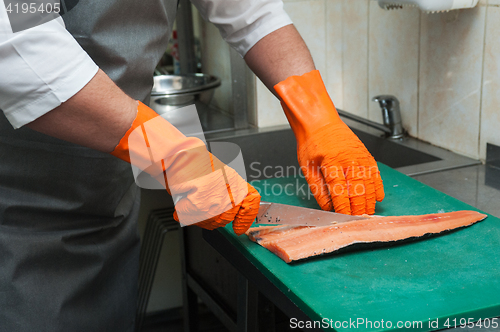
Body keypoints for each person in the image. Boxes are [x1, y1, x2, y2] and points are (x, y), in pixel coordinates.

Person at [0, 0, 384, 330]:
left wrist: (317, 115)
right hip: (20, 211)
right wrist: (169, 154)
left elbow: (252, 12)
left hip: (106, 195)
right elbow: (18, 37)